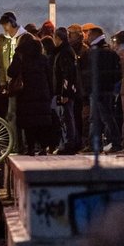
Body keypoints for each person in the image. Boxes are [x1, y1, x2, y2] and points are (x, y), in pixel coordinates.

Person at [6, 33, 54, 155]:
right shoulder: (43, 58)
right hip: (43, 93)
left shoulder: (21, 56)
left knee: (29, 122)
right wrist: (50, 92)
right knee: (42, 122)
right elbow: (49, 77)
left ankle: (31, 148)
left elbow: (11, 72)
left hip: (26, 94)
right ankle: (43, 148)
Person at [79, 25, 123, 153]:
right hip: (106, 89)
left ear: (94, 35)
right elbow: (118, 73)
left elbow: (88, 73)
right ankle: (109, 143)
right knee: (105, 117)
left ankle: (99, 144)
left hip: (97, 90)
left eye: (89, 34)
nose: (87, 37)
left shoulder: (93, 52)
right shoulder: (109, 52)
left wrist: (88, 87)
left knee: (100, 118)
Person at [0, 11, 27, 152]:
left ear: (10, 23)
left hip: (21, 83)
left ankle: (16, 145)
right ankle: (16, 145)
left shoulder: (26, 38)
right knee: (12, 114)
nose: (4, 29)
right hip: (11, 83)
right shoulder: (5, 40)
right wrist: (3, 81)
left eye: (5, 25)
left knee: (15, 114)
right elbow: (2, 64)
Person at [52, 26, 81, 154]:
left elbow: (67, 74)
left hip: (66, 92)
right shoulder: (68, 51)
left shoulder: (64, 53)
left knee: (67, 117)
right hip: (69, 90)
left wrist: (64, 93)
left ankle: (69, 144)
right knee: (68, 117)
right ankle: (70, 142)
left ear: (58, 38)